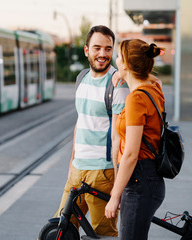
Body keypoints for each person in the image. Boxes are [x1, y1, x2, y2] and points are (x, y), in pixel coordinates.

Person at [54, 25, 129, 237]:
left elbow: (118, 137)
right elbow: (81, 123)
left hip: (103, 174)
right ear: (87, 50)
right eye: (97, 48)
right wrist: (71, 165)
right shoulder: (82, 78)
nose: (103, 54)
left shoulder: (118, 84)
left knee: (103, 233)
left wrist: (116, 188)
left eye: (108, 49)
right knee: (60, 230)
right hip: (77, 171)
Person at [104, 39, 166, 239]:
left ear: (127, 65)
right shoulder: (154, 88)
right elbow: (154, 81)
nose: (116, 60)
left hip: (139, 180)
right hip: (148, 178)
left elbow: (131, 154)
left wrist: (115, 196)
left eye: (119, 57)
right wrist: (125, 78)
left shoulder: (136, 99)